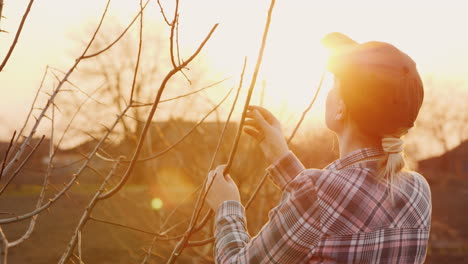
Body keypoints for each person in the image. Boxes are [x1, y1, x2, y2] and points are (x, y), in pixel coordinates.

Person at [205, 32, 432, 263]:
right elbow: (338, 212)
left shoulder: (317, 197)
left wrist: (227, 207)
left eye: (334, 84)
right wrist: (280, 156)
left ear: (341, 108)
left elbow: (322, 208)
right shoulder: (418, 191)